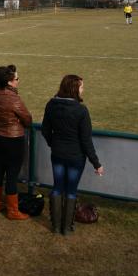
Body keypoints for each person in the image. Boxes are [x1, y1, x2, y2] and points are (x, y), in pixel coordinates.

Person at [42, 74, 104, 235]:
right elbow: (86, 141)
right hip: (76, 157)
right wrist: (96, 163)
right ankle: (66, 227)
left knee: (57, 187)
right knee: (70, 190)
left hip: (58, 154)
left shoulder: (51, 105)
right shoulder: (81, 111)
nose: (83, 89)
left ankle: (56, 226)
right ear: (74, 89)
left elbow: (45, 130)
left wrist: (54, 144)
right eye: (81, 86)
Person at [0, 65, 33, 220]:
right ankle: (13, 211)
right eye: (16, 79)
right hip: (13, 139)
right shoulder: (13, 98)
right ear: (9, 82)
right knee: (12, 174)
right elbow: (27, 119)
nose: (18, 81)